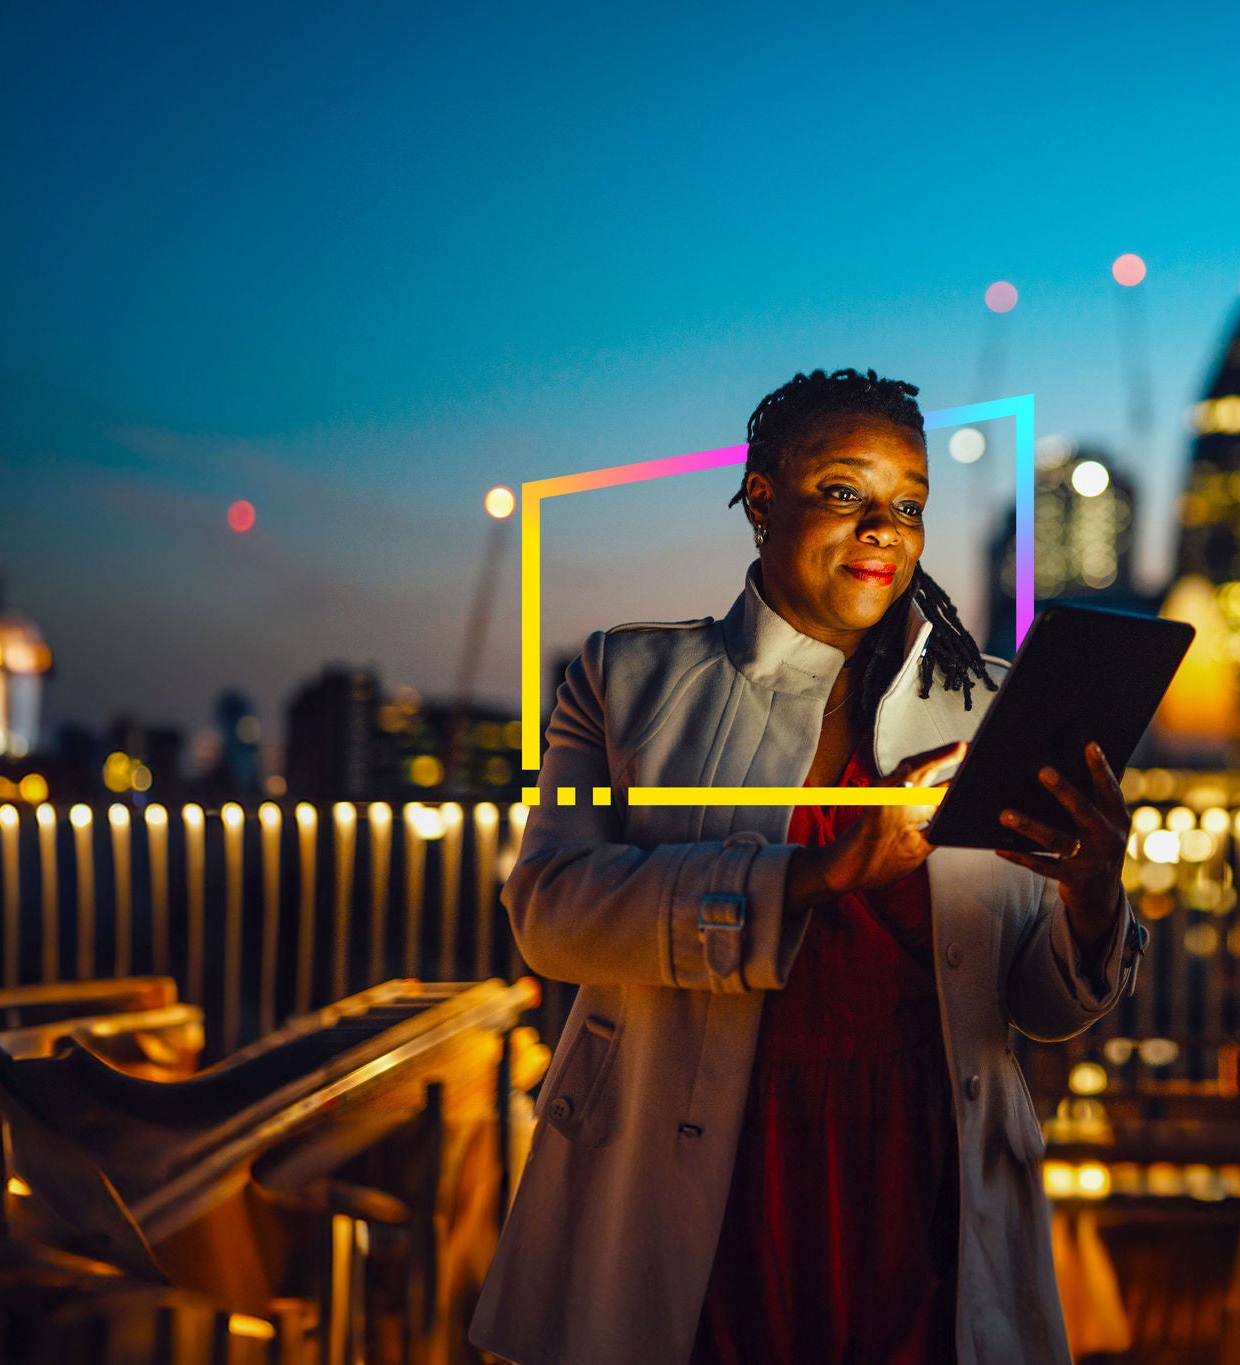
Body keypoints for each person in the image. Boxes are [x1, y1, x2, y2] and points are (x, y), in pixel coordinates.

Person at [469, 368, 1146, 1365]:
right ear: (759, 500)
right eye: (843, 492)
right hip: (706, 1174)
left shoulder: (993, 710)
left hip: (921, 1176)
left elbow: (1039, 1005)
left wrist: (1091, 896)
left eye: (907, 504)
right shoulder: (625, 679)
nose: (884, 528)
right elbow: (551, 916)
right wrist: (819, 872)